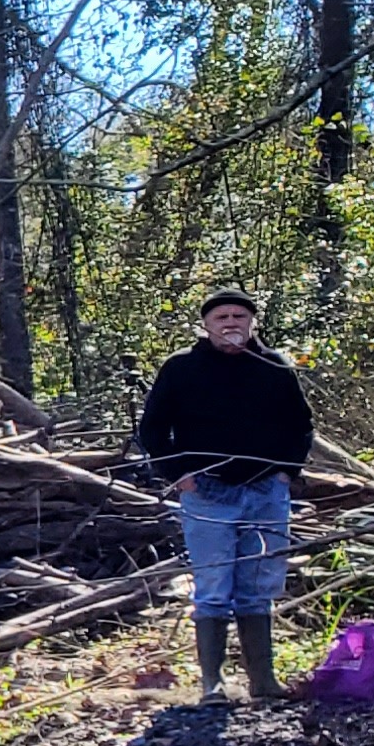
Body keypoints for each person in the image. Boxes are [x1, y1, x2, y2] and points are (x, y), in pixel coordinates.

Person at [132, 289, 314, 701]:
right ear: (206, 325)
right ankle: (212, 683)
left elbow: (300, 425)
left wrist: (287, 473)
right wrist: (179, 475)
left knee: (258, 586)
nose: (230, 323)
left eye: (238, 316)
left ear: (252, 323)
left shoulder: (275, 367)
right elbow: (154, 430)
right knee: (213, 588)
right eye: (221, 317)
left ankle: (263, 682)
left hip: (266, 491)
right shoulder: (181, 368)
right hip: (208, 494)